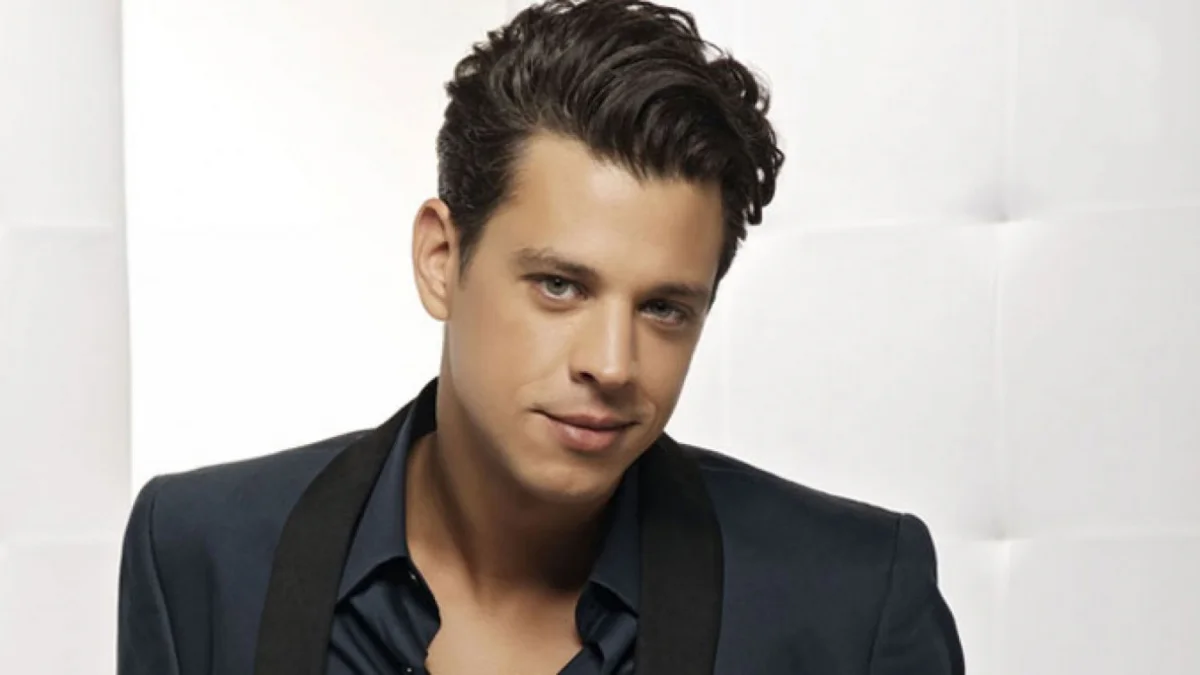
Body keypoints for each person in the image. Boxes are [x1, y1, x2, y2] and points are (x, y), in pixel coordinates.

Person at [117, 1, 964, 673]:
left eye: (664, 308)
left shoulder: (853, 598)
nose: (612, 363)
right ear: (442, 260)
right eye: (560, 286)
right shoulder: (197, 552)